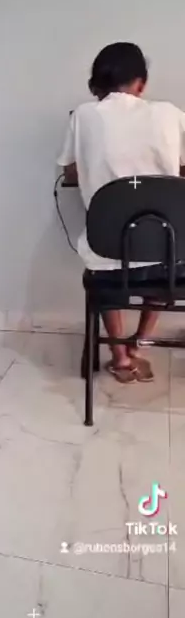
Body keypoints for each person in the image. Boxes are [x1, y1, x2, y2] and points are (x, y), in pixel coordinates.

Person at [58, 42, 185, 383]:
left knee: (108, 251)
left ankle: (119, 356)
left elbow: (70, 170)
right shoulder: (171, 113)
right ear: (141, 83)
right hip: (170, 260)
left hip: (108, 258)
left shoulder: (84, 115)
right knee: (166, 243)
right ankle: (139, 342)